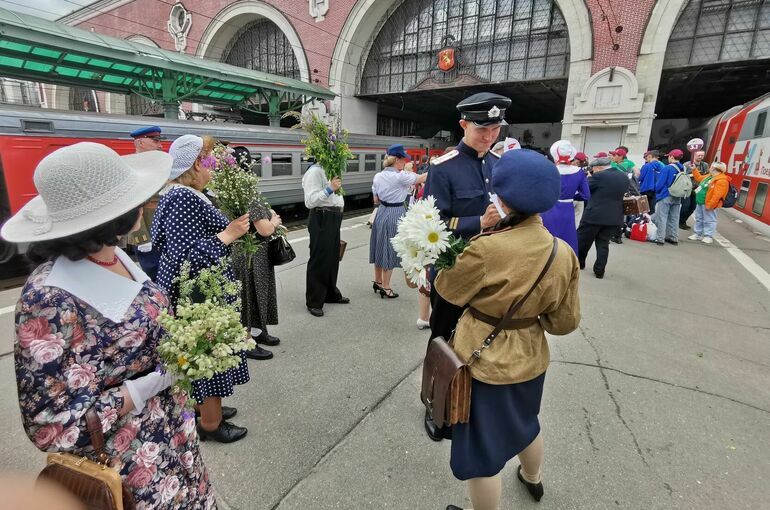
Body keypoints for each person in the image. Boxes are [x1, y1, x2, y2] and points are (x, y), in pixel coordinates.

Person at [1, 142, 217, 508]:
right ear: (115, 218)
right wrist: (149, 384)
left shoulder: (113, 255)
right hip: (130, 471)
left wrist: (187, 344)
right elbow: (50, 426)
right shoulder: (48, 299)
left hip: (176, 444)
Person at [437, 149, 580, 510]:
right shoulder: (562, 252)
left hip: (485, 362)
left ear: (500, 198)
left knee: (481, 452)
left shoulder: (487, 248)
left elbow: (447, 289)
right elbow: (564, 322)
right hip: (531, 358)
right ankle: (532, 478)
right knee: (526, 423)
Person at [422, 91, 510, 441]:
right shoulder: (443, 167)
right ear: (463, 125)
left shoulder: (499, 164)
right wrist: (478, 222)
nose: (489, 137)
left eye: (495, 130)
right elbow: (431, 224)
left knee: (481, 341)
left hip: (492, 271)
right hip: (454, 270)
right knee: (443, 339)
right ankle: (436, 407)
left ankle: (467, 404)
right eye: (481, 129)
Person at [152, 134, 251, 443]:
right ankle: (210, 423)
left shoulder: (178, 194)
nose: (213, 166)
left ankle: (204, 408)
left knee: (198, 354)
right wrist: (229, 234)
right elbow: (186, 257)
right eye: (208, 160)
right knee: (208, 353)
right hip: (198, 294)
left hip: (193, 290)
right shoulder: (183, 198)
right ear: (196, 164)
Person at [230, 146, 281, 360]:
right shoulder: (247, 192)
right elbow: (264, 229)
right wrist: (274, 221)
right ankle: (247, 341)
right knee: (250, 296)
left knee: (250, 295)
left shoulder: (230, 190)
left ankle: (258, 333)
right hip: (252, 254)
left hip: (241, 251)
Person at [370, 144, 427, 299]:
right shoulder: (400, 176)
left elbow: (376, 198)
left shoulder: (378, 176)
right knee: (390, 248)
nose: (405, 162)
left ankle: (378, 281)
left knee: (379, 246)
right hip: (395, 211)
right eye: (403, 159)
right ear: (397, 160)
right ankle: (386, 287)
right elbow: (422, 178)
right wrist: (437, 166)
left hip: (381, 211)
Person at [302, 152, 350, 318]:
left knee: (332, 257)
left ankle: (330, 293)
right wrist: (330, 188)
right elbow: (310, 201)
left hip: (332, 216)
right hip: (321, 216)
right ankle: (314, 301)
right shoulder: (314, 172)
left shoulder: (330, 169)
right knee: (320, 258)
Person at [576, 156, 630, 279]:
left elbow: (585, 190)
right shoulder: (623, 176)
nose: (593, 171)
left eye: (594, 169)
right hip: (614, 216)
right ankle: (599, 271)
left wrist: (589, 178)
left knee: (584, 241)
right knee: (603, 243)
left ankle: (580, 263)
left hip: (594, 215)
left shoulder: (598, 176)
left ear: (599, 167)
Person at [127, 125, 165, 281]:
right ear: (140, 142)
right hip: (147, 228)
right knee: (154, 273)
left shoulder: (158, 164)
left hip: (163, 227)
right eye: (155, 141)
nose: (160, 145)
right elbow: (132, 203)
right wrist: (141, 236)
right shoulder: (131, 168)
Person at [540, 140, 590, 253]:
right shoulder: (579, 172)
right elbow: (586, 195)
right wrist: (572, 197)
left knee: (546, 239)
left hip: (548, 209)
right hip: (567, 209)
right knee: (567, 240)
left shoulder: (548, 170)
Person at [687, 161, 730, 244]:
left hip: (709, 203)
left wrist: (710, 204)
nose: (709, 168)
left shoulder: (722, 180)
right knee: (699, 218)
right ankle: (698, 234)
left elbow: (717, 195)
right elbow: (699, 178)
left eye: (711, 167)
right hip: (701, 201)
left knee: (709, 220)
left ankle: (708, 236)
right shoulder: (710, 176)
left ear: (714, 168)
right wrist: (694, 169)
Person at [652, 149, 685, 246]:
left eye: (669, 156)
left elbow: (660, 183)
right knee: (674, 217)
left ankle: (660, 238)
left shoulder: (667, 168)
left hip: (666, 194)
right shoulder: (683, 168)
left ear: (671, 157)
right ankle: (673, 238)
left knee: (662, 217)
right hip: (677, 195)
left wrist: (656, 191)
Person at [679, 150, 709, 230]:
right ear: (694, 155)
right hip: (687, 188)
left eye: (702, 155)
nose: (700, 157)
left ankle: (683, 221)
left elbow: (707, 176)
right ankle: (680, 222)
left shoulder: (705, 165)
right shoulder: (686, 164)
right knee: (685, 206)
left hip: (698, 189)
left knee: (692, 207)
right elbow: (682, 175)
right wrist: (694, 174)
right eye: (699, 155)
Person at [639, 150, 664, 214]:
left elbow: (640, 178)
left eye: (646, 157)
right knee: (652, 210)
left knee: (643, 210)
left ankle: (644, 219)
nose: (646, 159)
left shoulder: (646, 166)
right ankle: (650, 219)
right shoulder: (663, 166)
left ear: (650, 156)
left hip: (645, 190)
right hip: (656, 191)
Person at [572, 151, 589, 225]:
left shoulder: (567, 169)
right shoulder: (584, 171)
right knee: (576, 221)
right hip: (580, 198)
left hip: (569, 198)